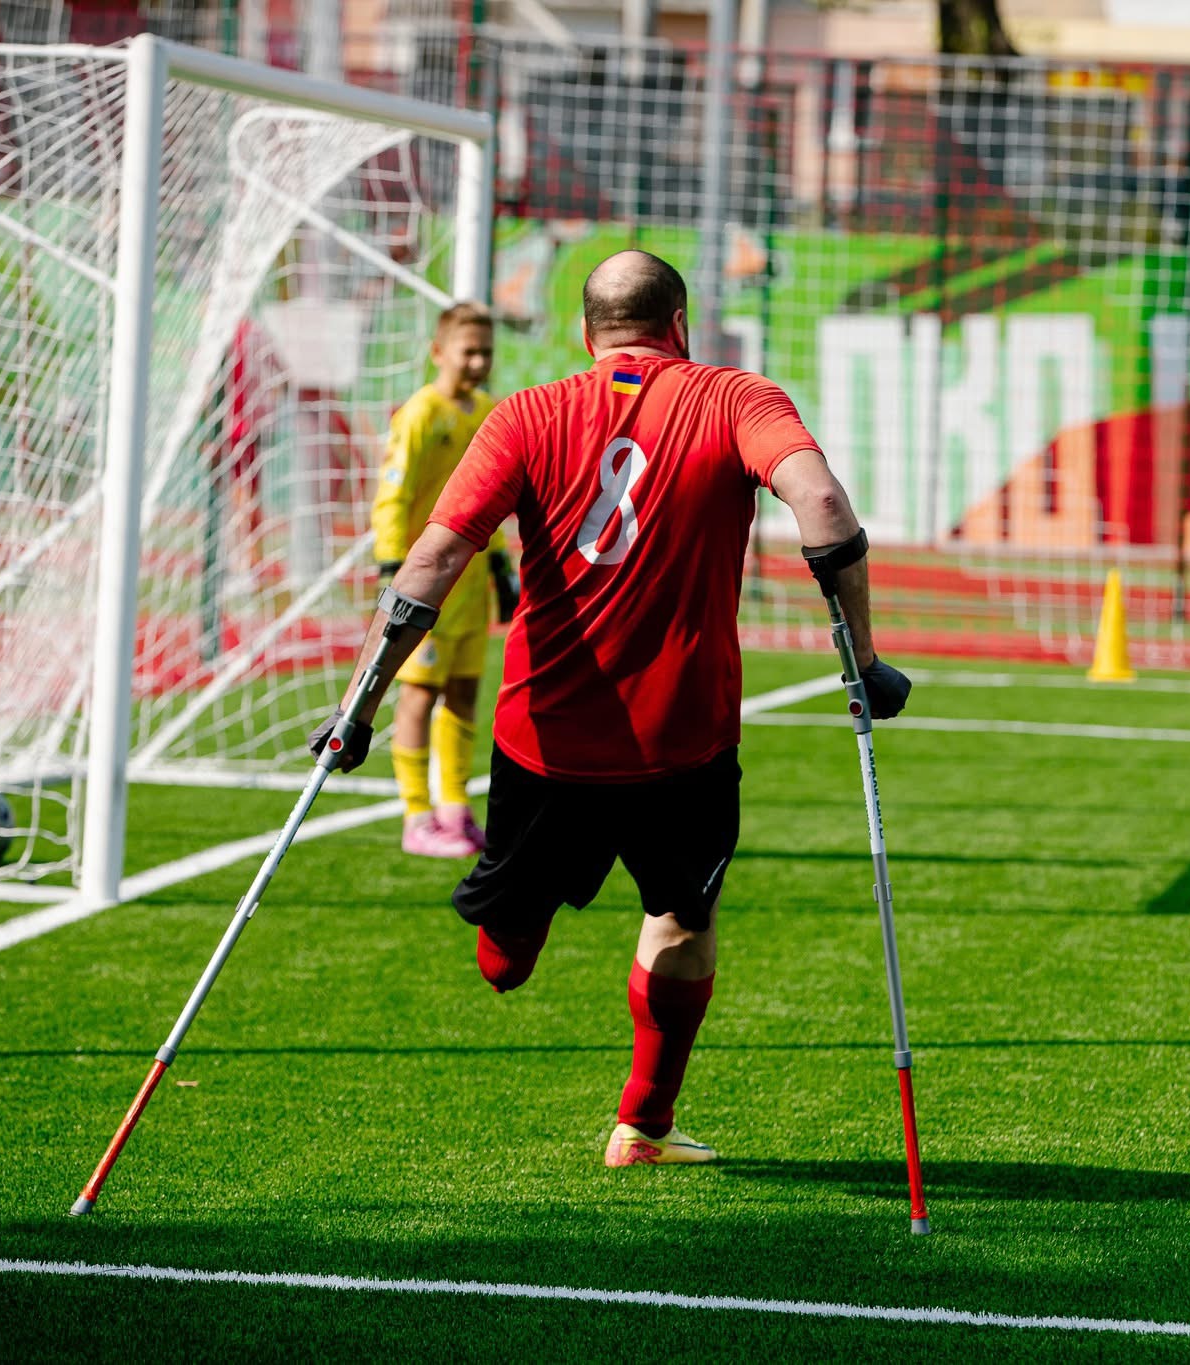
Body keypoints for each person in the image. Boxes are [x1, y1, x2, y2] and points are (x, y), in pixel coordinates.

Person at [313, 250, 911, 1167]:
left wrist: (357, 707)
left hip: (542, 739)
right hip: (686, 743)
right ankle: (643, 1124)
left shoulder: (526, 412)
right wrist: (863, 660)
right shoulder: (739, 398)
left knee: (505, 959)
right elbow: (822, 504)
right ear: (681, 325)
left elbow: (431, 562)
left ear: (586, 335)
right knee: (682, 919)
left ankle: (526, 927)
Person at [369, 301, 518, 858]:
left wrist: (501, 563)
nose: (479, 362)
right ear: (438, 352)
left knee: (463, 694)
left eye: (486, 353)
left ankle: (455, 809)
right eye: (468, 351)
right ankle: (416, 813)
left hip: (471, 584)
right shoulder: (419, 415)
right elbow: (393, 494)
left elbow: (492, 500)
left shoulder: (489, 411)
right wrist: (392, 566)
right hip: (425, 584)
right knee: (418, 695)